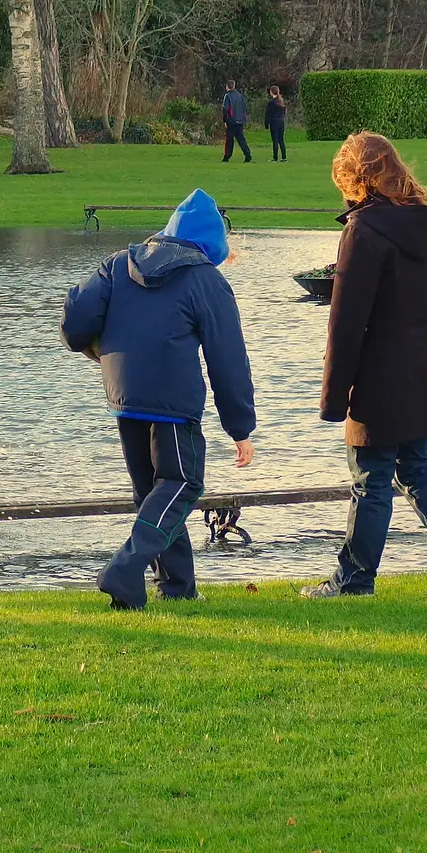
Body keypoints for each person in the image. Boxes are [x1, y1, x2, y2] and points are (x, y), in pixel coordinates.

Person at [301, 132, 427, 600]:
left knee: (371, 476)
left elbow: (346, 323)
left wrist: (332, 399)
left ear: (354, 180)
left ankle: (353, 581)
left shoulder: (364, 232)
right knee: (415, 465)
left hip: (384, 372)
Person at [61, 189, 256, 609]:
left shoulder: (119, 264)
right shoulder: (207, 280)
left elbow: (75, 319)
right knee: (181, 483)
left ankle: (177, 589)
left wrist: (92, 348)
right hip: (172, 401)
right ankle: (124, 568)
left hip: (123, 396)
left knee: (155, 491)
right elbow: (229, 359)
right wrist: (240, 427)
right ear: (212, 244)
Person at [220, 79, 251, 163]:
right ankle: (247, 154)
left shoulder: (228, 96)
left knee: (229, 140)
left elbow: (225, 109)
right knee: (241, 139)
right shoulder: (240, 96)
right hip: (240, 121)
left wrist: (225, 120)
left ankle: (227, 157)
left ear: (227, 86)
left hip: (231, 121)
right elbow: (244, 108)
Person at [265, 84, 287, 162]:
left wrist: (266, 124)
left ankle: (275, 157)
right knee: (281, 140)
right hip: (281, 122)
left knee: (275, 140)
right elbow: (284, 112)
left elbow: (268, 114)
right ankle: (284, 157)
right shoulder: (281, 102)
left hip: (274, 123)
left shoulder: (271, 103)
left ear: (271, 92)